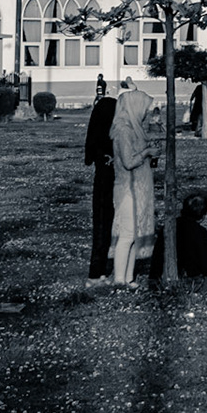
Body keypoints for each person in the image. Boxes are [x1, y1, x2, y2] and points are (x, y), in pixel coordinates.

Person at [109, 86, 157, 288]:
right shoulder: (123, 131)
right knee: (127, 234)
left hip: (136, 187)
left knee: (133, 234)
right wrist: (146, 153)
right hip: (128, 189)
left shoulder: (133, 129)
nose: (146, 112)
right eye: (143, 108)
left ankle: (128, 278)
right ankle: (119, 280)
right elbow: (128, 162)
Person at [84, 79, 117, 287]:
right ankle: (97, 273)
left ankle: (99, 270)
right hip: (108, 186)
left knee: (102, 226)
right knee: (104, 226)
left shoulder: (98, 143)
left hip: (101, 184)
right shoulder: (108, 148)